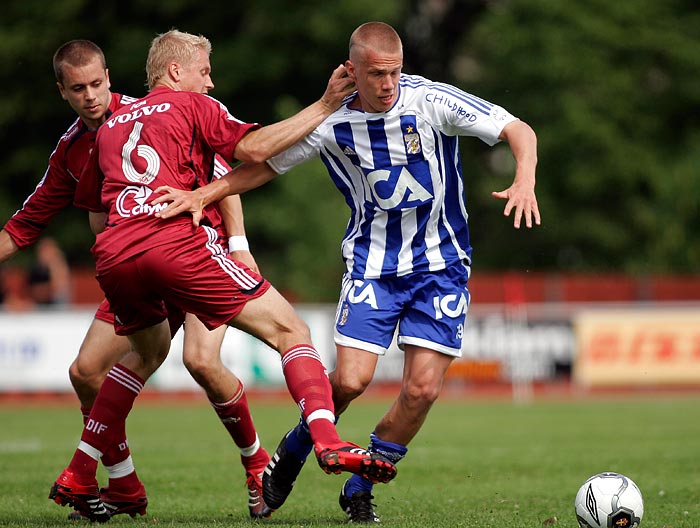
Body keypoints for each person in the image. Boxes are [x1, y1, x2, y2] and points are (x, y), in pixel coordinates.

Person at [155, 21, 540, 523]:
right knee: (352, 381)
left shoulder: (428, 100)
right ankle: (290, 454)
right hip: (372, 266)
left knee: (422, 390)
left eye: (395, 73)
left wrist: (525, 178)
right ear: (351, 70)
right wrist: (203, 195)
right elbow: (262, 168)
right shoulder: (329, 122)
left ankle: (360, 486)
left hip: (442, 265)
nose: (388, 84)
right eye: (376, 74)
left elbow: (517, 128)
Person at [50, 29, 397, 523]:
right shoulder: (191, 107)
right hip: (178, 245)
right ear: (175, 72)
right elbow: (252, 151)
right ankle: (325, 439)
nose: (210, 83)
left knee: (148, 356)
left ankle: (82, 471)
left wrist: (229, 242)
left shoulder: (109, 125)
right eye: (204, 71)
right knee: (289, 330)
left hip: (116, 252)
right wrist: (323, 105)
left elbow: (98, 214)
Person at [0, 39, 271, 519]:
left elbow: (221, 177)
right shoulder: (71, 150)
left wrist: (239, 245)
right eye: (78, 88)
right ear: (62, 91)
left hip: (195, 252)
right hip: (136, 267)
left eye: (98, 84)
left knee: (201, 362)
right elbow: (24, 225)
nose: (91, 96)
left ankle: (255, 465)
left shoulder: (156, 109)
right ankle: (124, 483)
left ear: (109, 77)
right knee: (85, 372)